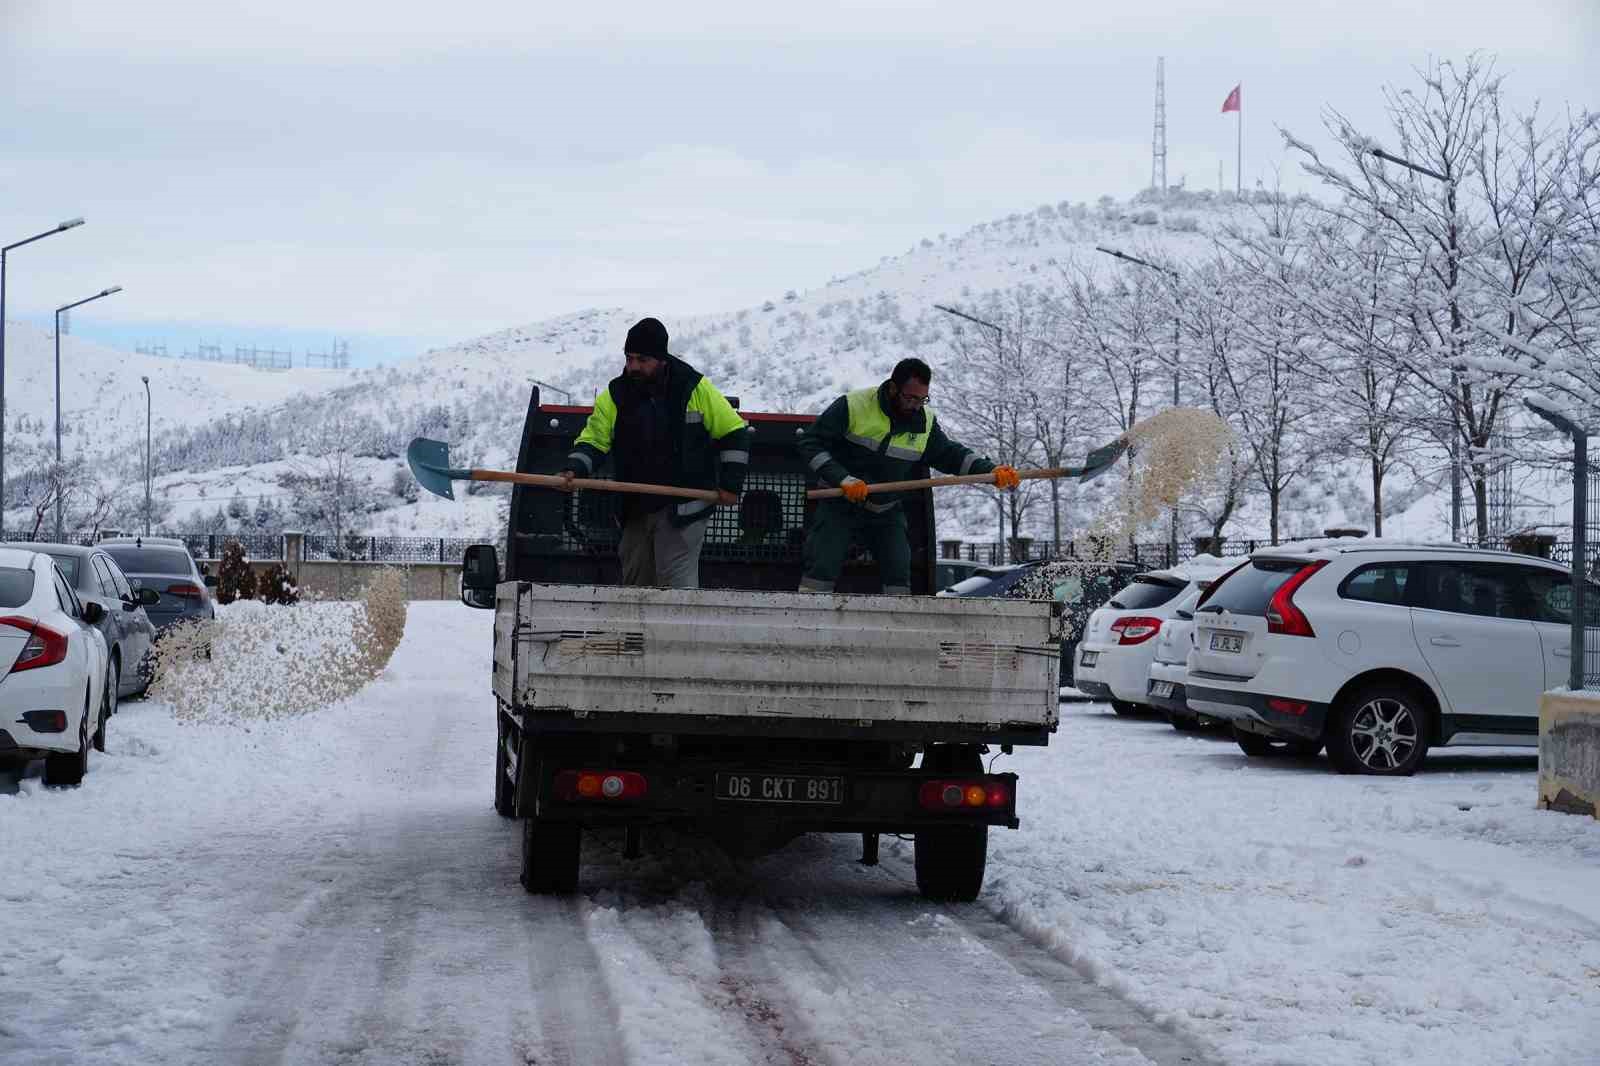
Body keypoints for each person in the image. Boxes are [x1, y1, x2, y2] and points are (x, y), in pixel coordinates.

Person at [797, 357, 1019, 595]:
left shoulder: (924, 424)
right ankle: (809, 612)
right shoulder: (854, 406)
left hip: (885, 510)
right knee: (823, 563)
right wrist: (843, 479)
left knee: (898, 568)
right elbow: (810, 442)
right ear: (893, 388)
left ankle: (897, 617)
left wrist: (990, 470)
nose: (916, 405)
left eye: (922, 399)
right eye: (910, 398)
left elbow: (950, 454)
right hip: (839, 504)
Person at [560, 317, 750, 588]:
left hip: (684, 509)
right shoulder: (615, 395)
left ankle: (676, 617)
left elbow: (734, 432)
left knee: (675, 589)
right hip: (635, 508)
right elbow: (594, 441)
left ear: (661, 359)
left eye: (642, 359)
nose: (634, 366)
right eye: (629, 358)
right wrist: (574, 468)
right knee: (635, 585)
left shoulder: (693, 387)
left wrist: (731, 486)